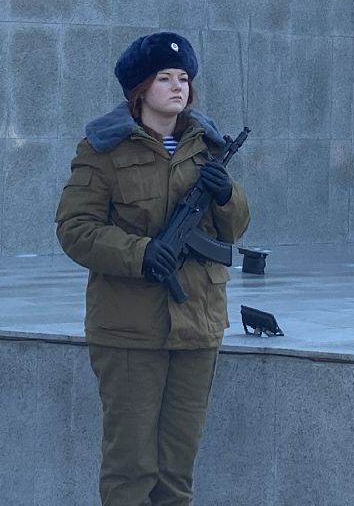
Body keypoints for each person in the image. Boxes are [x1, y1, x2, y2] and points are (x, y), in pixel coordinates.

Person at [56, 32, 250, 506]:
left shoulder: (207, 147)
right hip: (128, 329)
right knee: (131, 468)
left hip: (197, 325)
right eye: (164, 77)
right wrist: (140, 253)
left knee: (177, 470)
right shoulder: (104, 150)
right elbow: (75, 228)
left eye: (184, 78)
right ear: (140, 88)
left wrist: (227, 194)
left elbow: (235, 230)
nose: (177, 87)